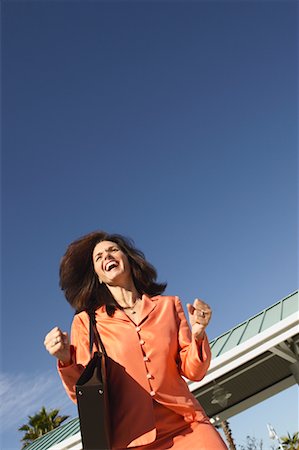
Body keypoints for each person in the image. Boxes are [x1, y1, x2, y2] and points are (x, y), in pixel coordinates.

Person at [44, 231, 228, 450]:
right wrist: (65, 359)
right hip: (131, 442)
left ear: (129, 260)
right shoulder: (86, 323)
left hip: (189, 427)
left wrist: (198, 335)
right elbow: (83, 395)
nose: (107, 257)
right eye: (99, 257)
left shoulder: (168, 306)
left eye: (113, 250)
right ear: (98, 276)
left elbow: (194, 371)